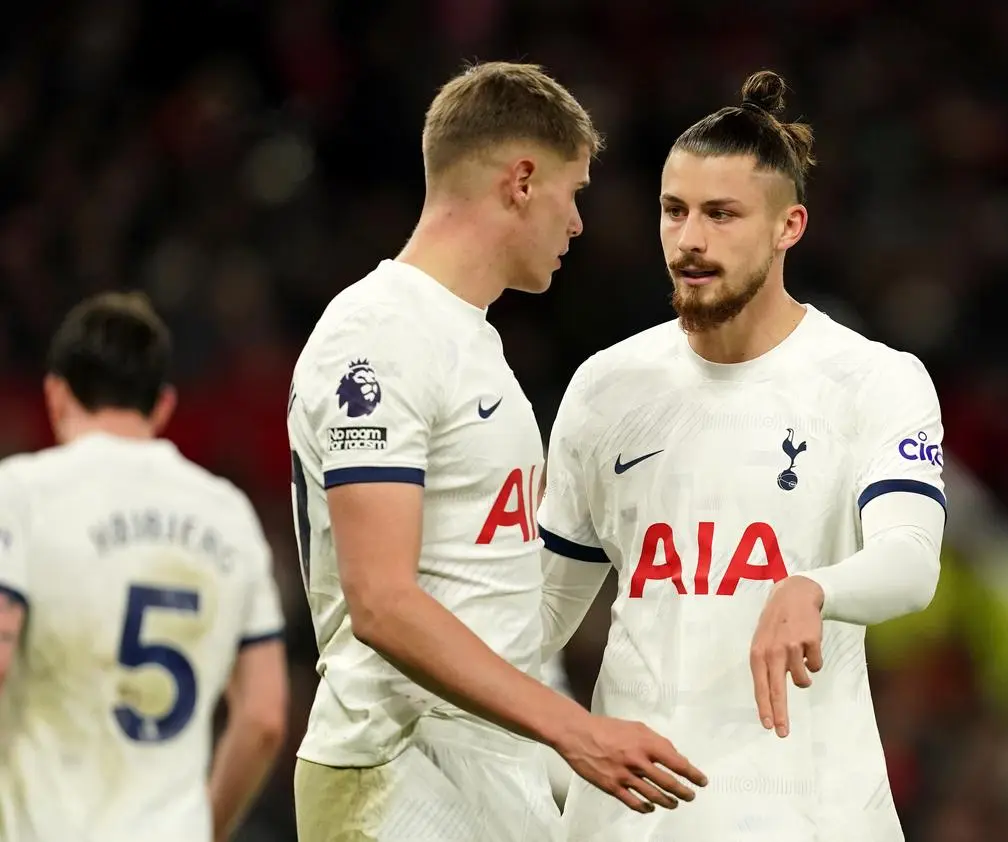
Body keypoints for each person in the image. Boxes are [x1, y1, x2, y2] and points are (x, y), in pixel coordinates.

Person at [287, 61, 706, 842]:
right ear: (521, 180)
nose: (579, 223)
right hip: (394, 766)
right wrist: (573, 729)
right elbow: (381, 601)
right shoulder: (378, 336)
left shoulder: (471, 343)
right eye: (573, 191)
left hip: (485, 761)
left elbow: (495, 603)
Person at [537, 69, 946, 841]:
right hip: (629, 821)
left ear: (789, 226)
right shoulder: (605, 388)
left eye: (721, 215)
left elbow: (912, 562)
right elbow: (544, 611)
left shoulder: (873, 381)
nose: (690, 239)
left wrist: (815, 588)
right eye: (674, 211)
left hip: (804, 814)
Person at [0, 292, 289, 842]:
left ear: (56, 395)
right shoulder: (228, 513)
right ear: (162, 406)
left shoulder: (21, 494)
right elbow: (264, 715)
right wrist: (205, 827)